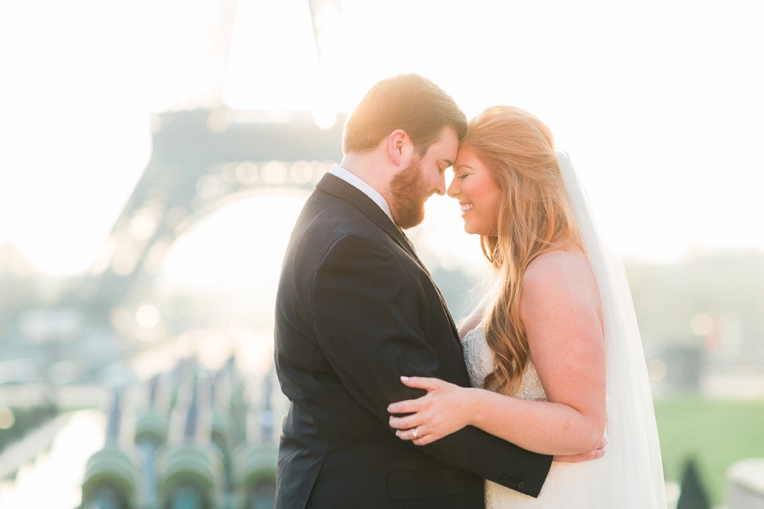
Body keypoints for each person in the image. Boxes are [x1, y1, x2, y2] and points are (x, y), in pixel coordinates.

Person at [273, 76, 558, 509]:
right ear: (400, 146)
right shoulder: (352, 246)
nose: (444, 186)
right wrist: (551, 458)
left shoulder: (345, 223)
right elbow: (413, 403)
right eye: (443, 165)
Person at [388, 105, 667, 508]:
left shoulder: (552, 273)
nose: (451, 189)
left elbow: (584, 426)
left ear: (510, 177)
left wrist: (469, 406)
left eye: (464, 174)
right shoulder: (521, 273)